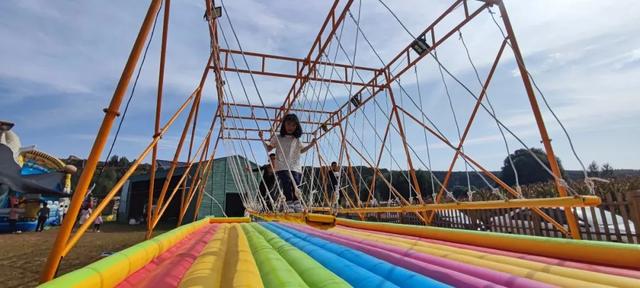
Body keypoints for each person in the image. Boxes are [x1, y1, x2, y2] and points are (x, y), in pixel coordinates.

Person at [259, 114, 316, 212]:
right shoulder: (278, 137)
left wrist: (311, 145)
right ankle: (289, 203)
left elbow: (301, 150)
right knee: (286, 183)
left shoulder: (297, 139)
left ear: (296, 127)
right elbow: (269, 148)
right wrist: (262, 139)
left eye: (293, 125)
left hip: (295, 165)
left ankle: (297, 203)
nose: (290, 127)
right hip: (282, 165)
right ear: (284, 125)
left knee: (296, 184)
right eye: (288, 124)